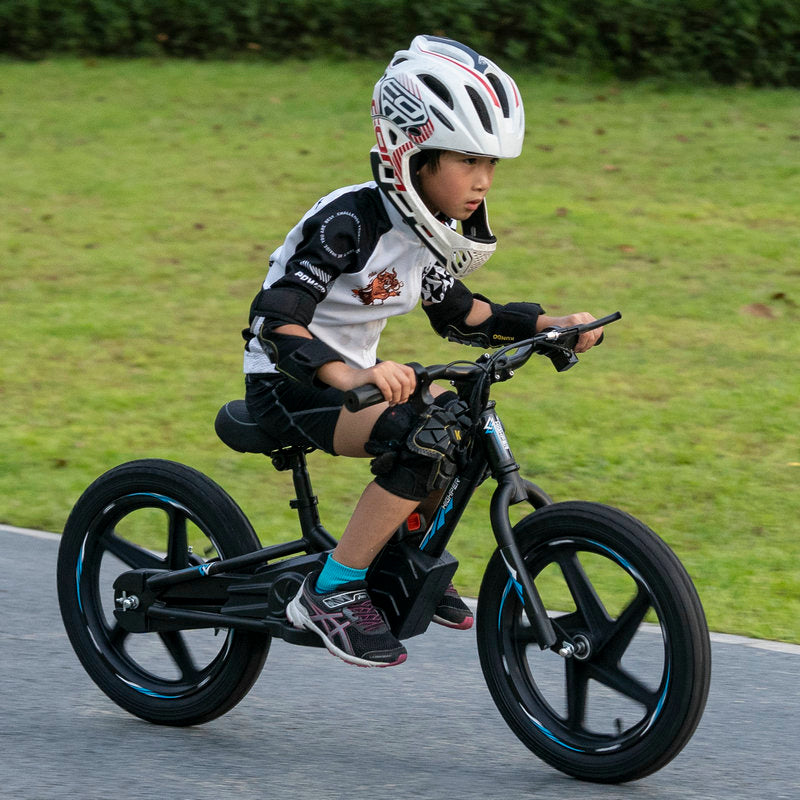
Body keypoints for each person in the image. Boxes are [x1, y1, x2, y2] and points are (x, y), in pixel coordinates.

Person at [242, 35, 603, 668]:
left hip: (356, 382)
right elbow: (275, 320)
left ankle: (396, 559)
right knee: (424, 431)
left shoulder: (423, 235)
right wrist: (353, 372)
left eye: (492, 163)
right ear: (414, 154)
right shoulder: (350, 224)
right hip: (287, 383)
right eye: (469, 159)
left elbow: (465, 315)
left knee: (456, 427)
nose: (484, 181)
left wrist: (554, 326)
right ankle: (329, 590)